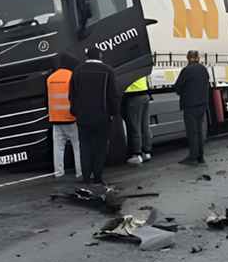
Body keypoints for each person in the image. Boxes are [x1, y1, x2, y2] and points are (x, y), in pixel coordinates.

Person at [69, 49, 121, 186]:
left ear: (87, 56)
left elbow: (72, 94)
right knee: (100, 147)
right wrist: (113, 112)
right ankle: (97, 177)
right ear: (100, 55)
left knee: (85, 146)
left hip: (83, 116)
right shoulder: (107, 70)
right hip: (101, 116)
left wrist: (75, 112)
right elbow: (112, 94)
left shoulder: (77, 70)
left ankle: (86, 177)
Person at [173, 50, 210, 164]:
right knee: (199, 130)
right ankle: (200, 156)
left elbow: (178, 88)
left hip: (190, 105)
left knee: (192, 131)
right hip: (202, 104)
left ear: (188, 58)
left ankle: (193, 156)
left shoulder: (186, 71)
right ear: (198, 58)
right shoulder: (203, 70)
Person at [46, 67, 81, 179]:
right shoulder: (72, 76)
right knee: (77, 146)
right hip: (70, 118)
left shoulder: (50, 78)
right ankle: (80, 173)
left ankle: (58, 172)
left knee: (58, 147)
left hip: (55, 118)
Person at [122, 74, 152, 165]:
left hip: (134, 96)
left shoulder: (130, 69)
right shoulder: (140, 68)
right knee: (145, 125)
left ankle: (137, 153)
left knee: (135, 125)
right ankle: (146, 151)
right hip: (145, 94)